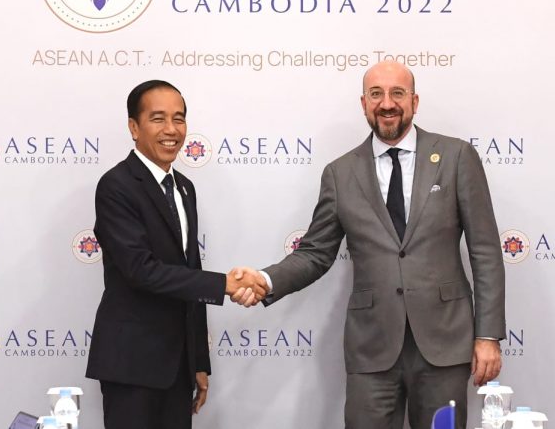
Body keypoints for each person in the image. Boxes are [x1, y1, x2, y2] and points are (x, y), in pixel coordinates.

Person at [232, 62, 506, 429]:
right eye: (376, 94)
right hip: (372, 350)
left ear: (414, 100)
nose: (387, 103)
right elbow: (315, 253)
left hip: (445, 345)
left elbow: (485, 251)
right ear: (363, 103)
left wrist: (487, 335)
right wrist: (265, 279)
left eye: (397, 93)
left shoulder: (456, 157)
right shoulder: (340, 173)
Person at [86, 80, 266, 429]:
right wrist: (224, 284)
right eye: (158, 119)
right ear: (134, 127)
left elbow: (189, 270)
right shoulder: (116, 186)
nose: (171, 130)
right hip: (133, 365)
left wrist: (198, 360)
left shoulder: (184, 187)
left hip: (177, 368)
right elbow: (141, 270)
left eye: (179, 118)